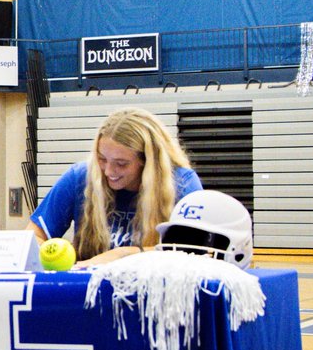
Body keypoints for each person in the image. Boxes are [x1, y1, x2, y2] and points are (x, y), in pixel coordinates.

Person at [29, 107, 202, 266]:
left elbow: (195, 251)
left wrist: (121, 255)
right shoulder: (80, 177)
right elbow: (33, 237)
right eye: (102, 159)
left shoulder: (182, 183)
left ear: (146, 162)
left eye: (121, 163)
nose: (108, 171)